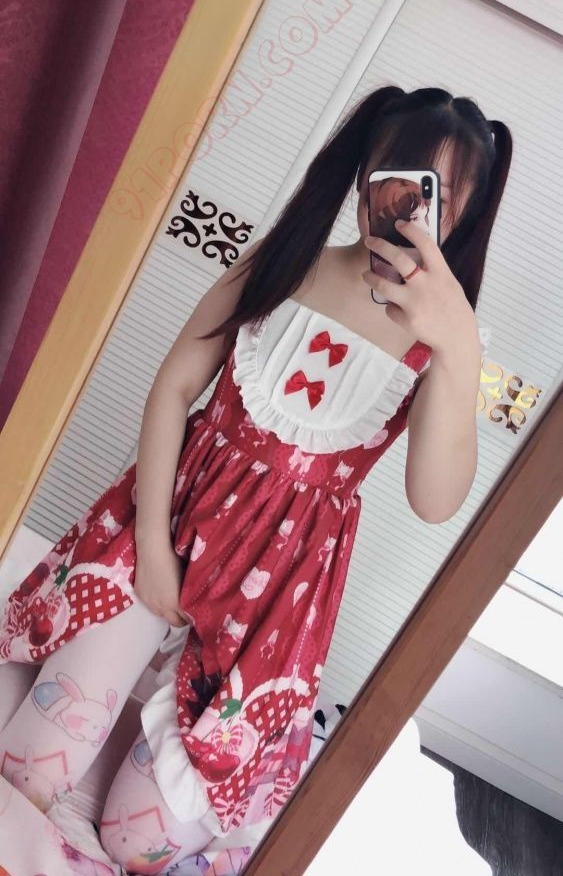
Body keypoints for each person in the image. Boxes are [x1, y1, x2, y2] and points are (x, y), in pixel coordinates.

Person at [0, 85, 512, 873]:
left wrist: (457, 348)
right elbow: (174, 387)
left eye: (433, 197)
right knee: (30, 769)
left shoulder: (445, 343)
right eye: (396, 181)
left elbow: (434, 501)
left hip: (275, 592)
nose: (406, 211)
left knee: (136, 843)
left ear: (462, 211)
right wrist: (152, 547)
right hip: (162, 524)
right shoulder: (288, 258)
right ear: (365, 172)